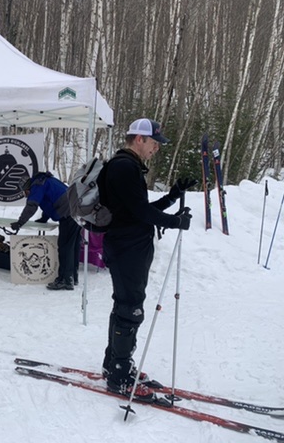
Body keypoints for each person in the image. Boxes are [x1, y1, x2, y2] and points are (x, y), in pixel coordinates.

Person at [100, 118, 195, 399]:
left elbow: (137, 208)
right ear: (139, 139)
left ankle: (114, 364)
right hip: (126, 248)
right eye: (154, 142)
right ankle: (118, 376)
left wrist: (172, 196)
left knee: (124, 305)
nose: (157, 148)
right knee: (130, 309)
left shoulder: (127, 166)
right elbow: (141, 213)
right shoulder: (124, 167)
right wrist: (175, 222)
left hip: (128, 246)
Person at [10, 172, 82, 291]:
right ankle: (73, 277)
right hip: (76, 210)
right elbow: (50, 202)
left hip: (69, 214)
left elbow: (32, 205)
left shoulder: (37, 186)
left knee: (65, 247)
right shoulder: (44, 181)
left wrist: (19, 223)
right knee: (72, 246)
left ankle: (65, 280)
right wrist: (44, 218)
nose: (26, 196)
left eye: (25, 193)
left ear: (27, 188)